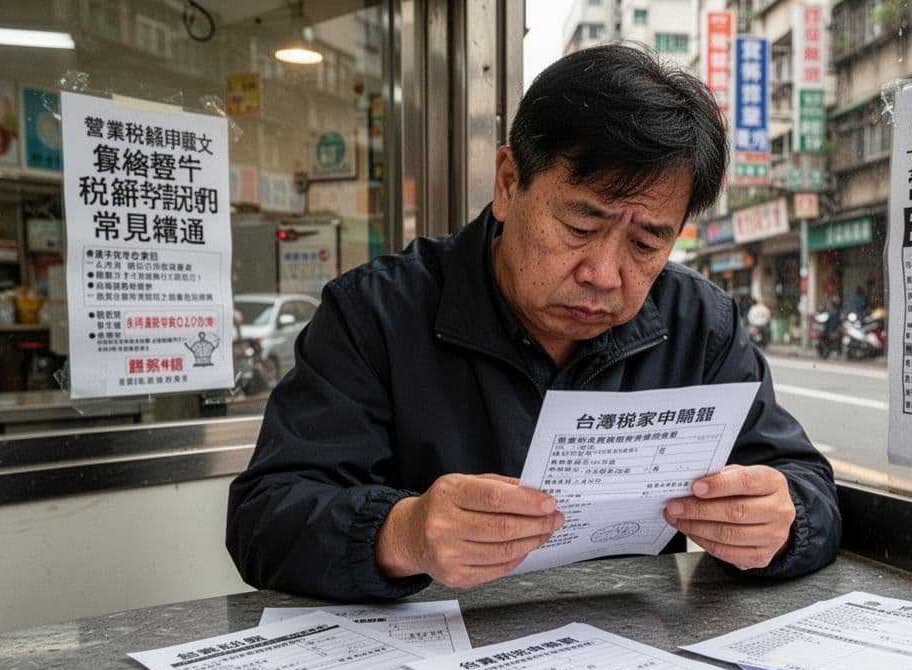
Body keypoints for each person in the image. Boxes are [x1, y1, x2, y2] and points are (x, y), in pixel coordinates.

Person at [227, 45, 840, 601]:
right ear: (508, 181)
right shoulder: (377, 314)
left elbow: (804, 482)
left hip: (629, 666)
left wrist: (782, 521)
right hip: (429, 669)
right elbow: (264, 516)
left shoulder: (699, 324)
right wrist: (402, 534)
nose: (604, 272)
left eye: (647, 242)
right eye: (580, 227)